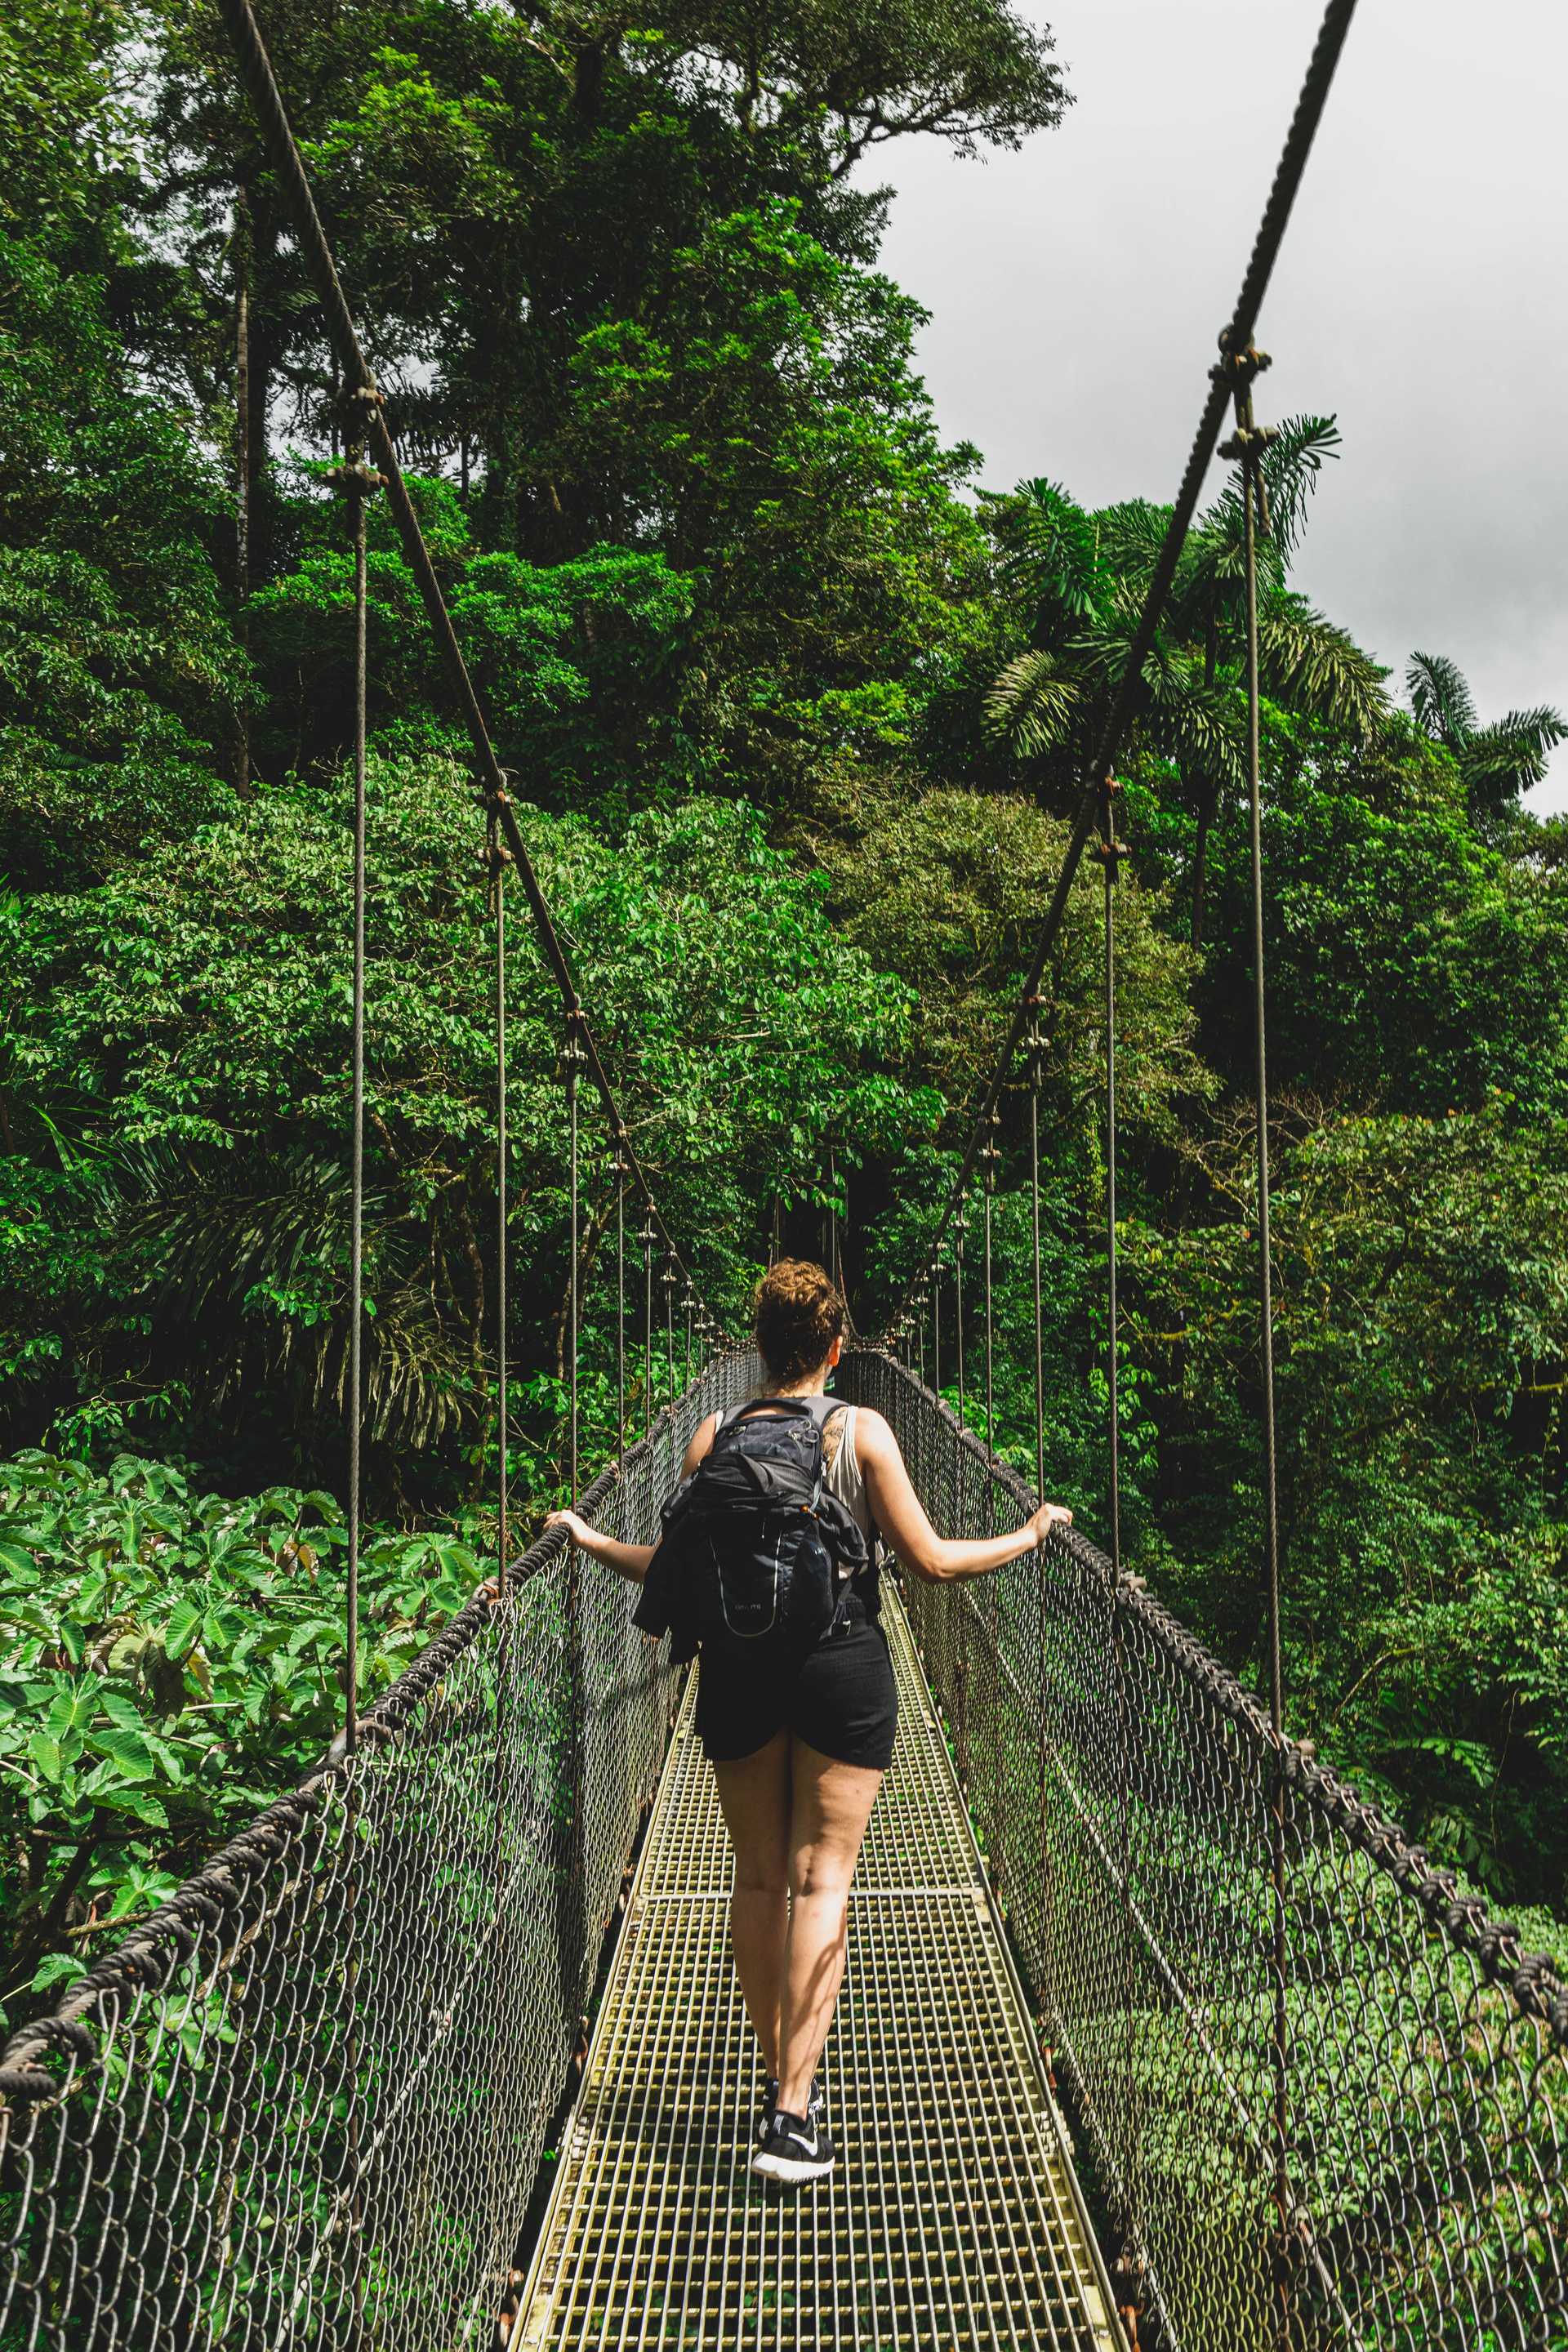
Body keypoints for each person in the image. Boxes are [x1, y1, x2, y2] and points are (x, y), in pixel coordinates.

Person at [546, 1259, 1072, 2186]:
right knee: (821, 1879)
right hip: (840, 1664)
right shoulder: (862, 1431)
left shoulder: (715, 1434)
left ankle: (778, 2078)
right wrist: (1030, 1535)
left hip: (737, 1671)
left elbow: (669, 1570)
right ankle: (794, 2111)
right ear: (836, 1348)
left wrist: (588, 1540)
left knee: (757, 1883)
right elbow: (933, 1565)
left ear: (757, 1348)